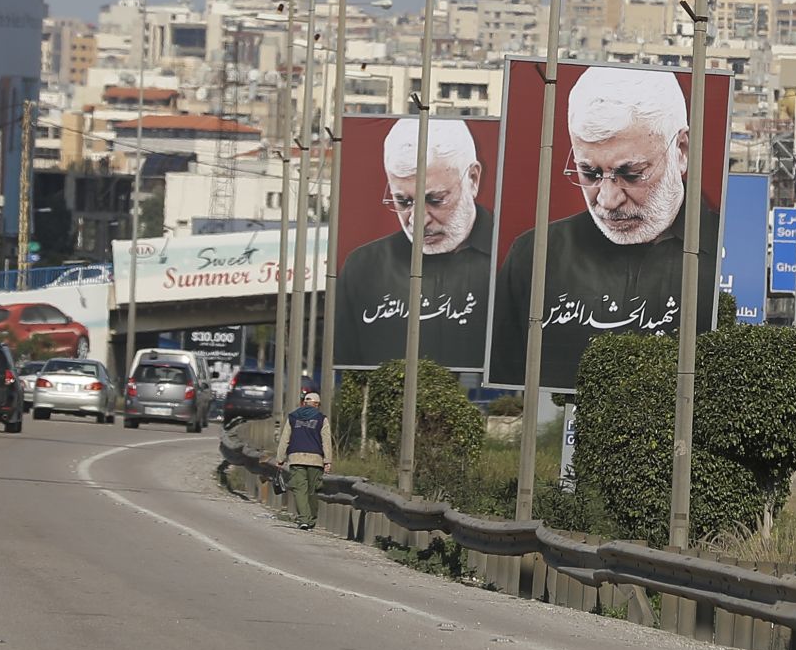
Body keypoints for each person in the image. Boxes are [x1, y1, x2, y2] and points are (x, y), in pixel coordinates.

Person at [490, 68, 718, 389]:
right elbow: (507, 382)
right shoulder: (535, 256)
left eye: (631, 174)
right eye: (591, 174)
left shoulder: (725, 253)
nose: (608, 200)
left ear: (681, 150)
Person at [335, 117, 494, 370]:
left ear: (473, 179)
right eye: (404, 202)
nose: (419, 221)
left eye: (435, 199)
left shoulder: (516, 257)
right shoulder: (364, 267)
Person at [276, 389, 332, 530]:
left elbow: (284, 439)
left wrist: (280, 458)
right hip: (315, 459)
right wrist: (328, 461)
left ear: (304, 403)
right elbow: (326, 441)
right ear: (317, 404)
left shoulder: (293, 417)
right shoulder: (321, 419)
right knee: (313, 490)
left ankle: (303, 519)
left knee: (299, 489)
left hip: (296, 458)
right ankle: (311, 519)